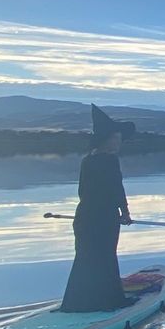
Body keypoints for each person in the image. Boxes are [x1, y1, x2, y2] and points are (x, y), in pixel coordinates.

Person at [59, 105, 136, 313]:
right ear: (107, 139)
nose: (119, 143)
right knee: (106, 257)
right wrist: (125, 213)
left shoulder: (87, 161)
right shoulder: (110, 160)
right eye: (117, 139)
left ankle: (76, 303)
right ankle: (111, 301)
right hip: (104, 218)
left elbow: (83, 192)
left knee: (85, 258)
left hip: (83, 216)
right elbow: (116, 189)